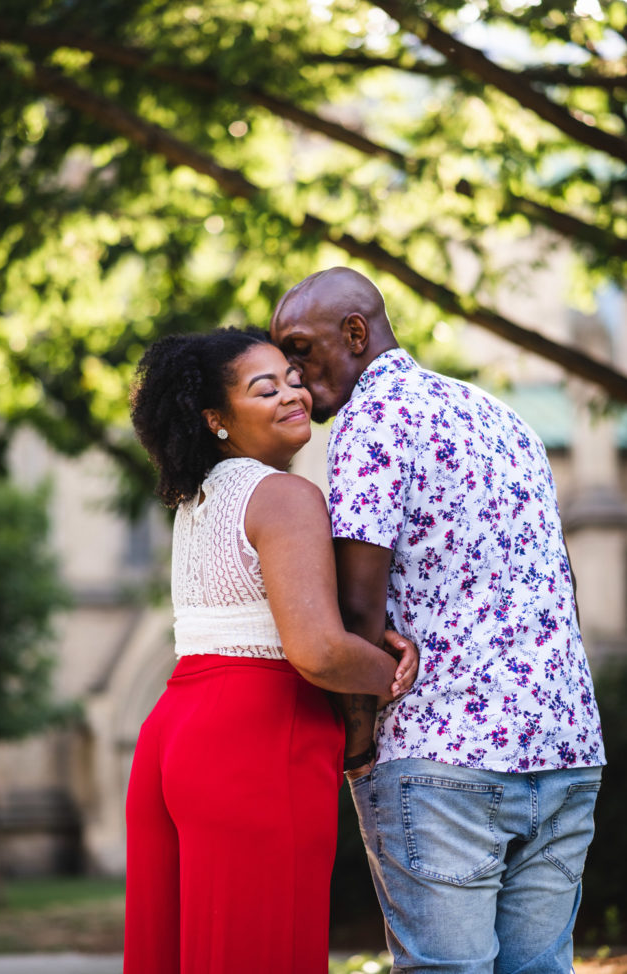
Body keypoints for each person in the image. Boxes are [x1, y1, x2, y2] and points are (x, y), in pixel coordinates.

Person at [270, 267, 606, 974]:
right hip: (566, 748)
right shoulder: (501, 416)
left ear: (355, 334)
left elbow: (359, 606)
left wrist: (357, 745)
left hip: (442, 755)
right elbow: (563, 582)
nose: (293, 375)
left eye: (300, 349)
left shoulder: (372, 417)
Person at [124, 326, 418, 974]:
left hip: (173, 735)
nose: (293, 394)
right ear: (216, 418)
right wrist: (399, 671)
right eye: (265, 389)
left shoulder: (198, 501)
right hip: (255, 740)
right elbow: (318, 652)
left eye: (293, 379)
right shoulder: (283, 496)